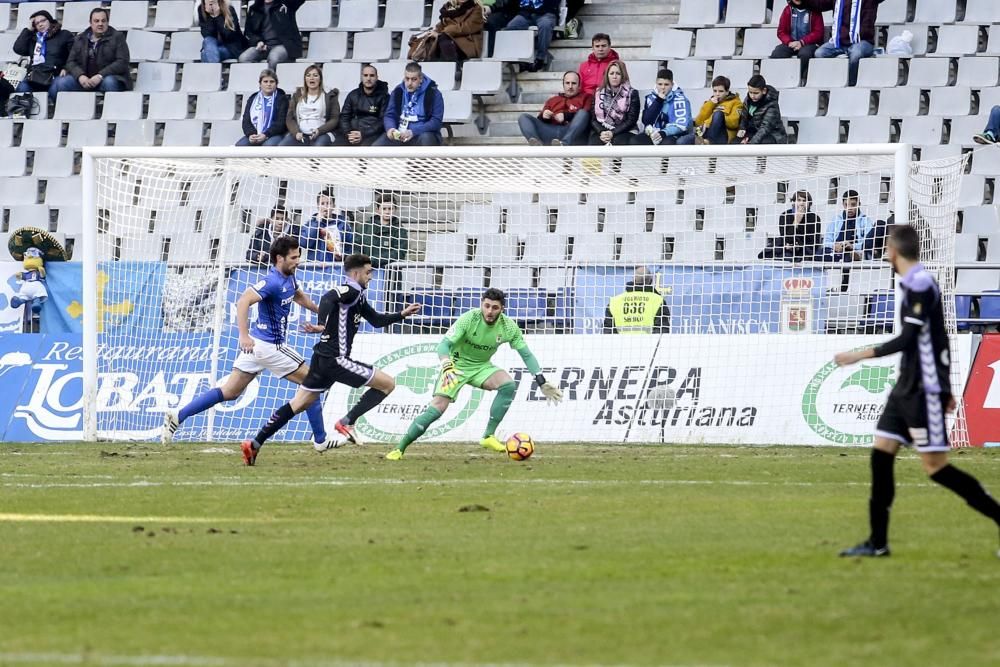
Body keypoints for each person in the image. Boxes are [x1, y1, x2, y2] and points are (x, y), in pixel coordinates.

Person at [834, 225, 1000, 558]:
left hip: (923, 390)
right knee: (881, 454)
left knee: (936, 467)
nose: (884, 256)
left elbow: (908, 339)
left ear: (893, 251)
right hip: (906, 386)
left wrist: (857, 356)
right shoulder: (914, 283)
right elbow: (938, 339)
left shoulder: (922, 284)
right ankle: (877, 543)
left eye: (885, 250)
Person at [241, 253, 422, 465]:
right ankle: (347, 422)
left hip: (322, 359)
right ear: (355, 273)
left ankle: (254, 444)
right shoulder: (350, 289)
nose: (371, 276)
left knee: (298, 404)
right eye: (368, 272)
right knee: (387, 384)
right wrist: (322, 323)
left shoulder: (358, 295)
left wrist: (402, 314)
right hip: (336, 360)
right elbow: (328, 297)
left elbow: (376, 320)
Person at [163, 236, 334, 452]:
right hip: (269, 346)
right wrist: (243, 336)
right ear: (279, 258)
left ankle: (178, 416)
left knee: (230, 392)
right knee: (312, 384)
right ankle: (321, 441)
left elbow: (299, 296)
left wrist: (323, 313)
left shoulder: (289, 277)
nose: (297, 261)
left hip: (258, 347)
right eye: (293, 257)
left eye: (298, 256)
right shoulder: (271, 281)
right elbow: (243, 300)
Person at [385, 288, 563, 460]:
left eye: (495, 307)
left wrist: (541, 381)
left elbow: (526, 354)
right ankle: (399, 448)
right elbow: (443, 346)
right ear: (481, 305)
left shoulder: (509, 327)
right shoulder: (469, 318)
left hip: (481, 367)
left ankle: (488, 436)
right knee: (437, 409)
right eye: (486, 306)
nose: (489, 311)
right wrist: (447, 365)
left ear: (502, 309)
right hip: (455, 367)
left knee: (508, 384)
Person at [50, 8, 131, 97]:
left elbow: (122, 62)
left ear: (107, 22)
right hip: (85, 80)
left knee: (109, 82)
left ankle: (113, 110)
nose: (100, 24)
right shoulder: (80, 38)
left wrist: (100, 76)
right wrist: (80, 76)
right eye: (96, 21)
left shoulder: (117, 37)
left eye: (103, 21)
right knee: (61, 82)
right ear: (90, 23)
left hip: (107, 78)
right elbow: (70, 62)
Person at [803, 0, 880, 87]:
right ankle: (834, 82)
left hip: (864, 41)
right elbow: (819, 4)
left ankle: (851, 84)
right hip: (840, 43)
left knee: (855, 54)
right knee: (819, 53)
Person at [374, 62, 445, 147]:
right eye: (407, 79)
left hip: (422, 134)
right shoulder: (398, 91)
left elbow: (436, 122)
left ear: (421, 78)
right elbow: (390, 115)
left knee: (426, 138)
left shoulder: (434, 93)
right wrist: (391, 128)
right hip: (400, 134)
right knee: (376, 147)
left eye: (414, 79)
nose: (409, 83)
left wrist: (413, 131)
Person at [518, 70, 592, 146]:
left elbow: (587, 115)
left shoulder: (587, 97)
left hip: (573, 133)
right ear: (563, 84)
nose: (570, 86)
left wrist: (566, 116)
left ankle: (565, 144)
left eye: (574, 83)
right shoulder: (552, 100)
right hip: (551, 131)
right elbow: (540, 121)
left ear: (579, 86)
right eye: (567, 83)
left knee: (583, 113)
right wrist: (544, 117)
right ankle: (538, 145)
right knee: (523, 117)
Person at [11, 10, 74, 95]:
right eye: (37, 23)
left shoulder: (64, 35)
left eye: (43, 21)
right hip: (36, 77)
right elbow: (18, 49)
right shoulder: (33, 39)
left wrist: (66, 68)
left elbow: (74, 55)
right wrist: (28, 29)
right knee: (22, 87)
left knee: (58, 86)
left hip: (56, 75)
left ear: (50, 21)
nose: (40, 24)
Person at [280, 64, 339, 146]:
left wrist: (319, 130)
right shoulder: (297, 95)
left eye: (315, 75)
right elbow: (289, 118)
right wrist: (296, 132)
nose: (312, 78)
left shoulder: (330, 95)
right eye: (308, 75)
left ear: (320, 79)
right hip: (300, 134)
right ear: (305, 79)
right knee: (281, 148)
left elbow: (334, 119)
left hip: (322, 133)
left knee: (316, 150)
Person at [632, 68, 692, 146]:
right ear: (656, 84)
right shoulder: (651, 98)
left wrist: (664, 132)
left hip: (671, 135)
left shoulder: (681, 99)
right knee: (635, 141)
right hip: (653, 133)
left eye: (666, 84)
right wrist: (658, 101)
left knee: (667, 144)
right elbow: (646, 120)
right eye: (660, 84)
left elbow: (681, 125)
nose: (663, 87)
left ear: (672, 85)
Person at [678, 76, 743, 146]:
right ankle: (705, 141)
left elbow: (734, 124)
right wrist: (710, 104)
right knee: (681, 141)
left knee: (718, 114)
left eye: (721, 91)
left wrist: (719, 118)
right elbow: (698, 122)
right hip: (705, 131)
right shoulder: (710, 102)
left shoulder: (736, 103)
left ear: (727, 92)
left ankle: (708, 141)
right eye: (715, 91)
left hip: (723, 134)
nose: (717, 94)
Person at [239, 0, 304, 70]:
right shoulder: (254, 9)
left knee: (274, 58)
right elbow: (249, 32)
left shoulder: (287, 4)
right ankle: (258, 80)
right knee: (244, 58)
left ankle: (270, 80)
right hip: (263, 46)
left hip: (284, 46)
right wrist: (258, 42)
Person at [603, 267, 670, 334]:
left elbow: (608, 333)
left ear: (634, 280)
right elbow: (661, 332)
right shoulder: (657, 301)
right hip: (648, 344)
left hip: (621, 344)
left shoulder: (615, 302)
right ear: (651, 281)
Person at [759, 190, 822, 261]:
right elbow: (786, 238)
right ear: (794, 202)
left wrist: (798, 246)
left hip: (804, 250)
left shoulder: (815, 218)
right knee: (785, 255)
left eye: (804, 201)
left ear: (809, 203)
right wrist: (796, 221)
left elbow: (814, 243)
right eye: (799, 200)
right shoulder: (785, 215)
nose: (801, 203)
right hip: (786, 248)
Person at [589, 60, 639, 146]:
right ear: (607, 75)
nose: (614, 76)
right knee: (594, 143)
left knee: (618, 143)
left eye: (618, 74)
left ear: (623, 75)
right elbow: (593, 119)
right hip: (602, 130)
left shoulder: (632, 93)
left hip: (625, 130)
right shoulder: (598, 93)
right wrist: (602, 132)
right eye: (611, 73)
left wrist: (613, 132)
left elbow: (631, 120)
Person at [337, 65, 389, 146]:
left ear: (376, 77)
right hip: (351, 134)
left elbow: (383, 121)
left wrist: (363, 134)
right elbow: (344, 117)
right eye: (365, 75)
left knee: (364, 152)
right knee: (334, 148)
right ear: (361, 77)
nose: (368, 78)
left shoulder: (384, 97)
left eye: (372, 75)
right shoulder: (353, 95)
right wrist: (349, 134)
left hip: (372, 135)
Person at [351, 195, 408, 269]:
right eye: (384, 209)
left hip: (391, 274)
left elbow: (400, 253)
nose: (387, 212)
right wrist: (362, 261)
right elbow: (356, 247)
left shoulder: (400, 230)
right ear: (377, 209)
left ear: (395, 210)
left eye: (390, 209)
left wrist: (372, 261)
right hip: (366, 272)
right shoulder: (364, 227)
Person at [503, 0, 560, 72]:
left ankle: (540, 59)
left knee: (545, 25)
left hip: (546, 13)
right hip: (526, 14)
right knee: (512, 26)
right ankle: (521, 60)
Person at [237, 68, 288, 147]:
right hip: (255, 134)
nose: (268, 84)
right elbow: (246, 120)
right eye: (265, 81)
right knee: (240, 146)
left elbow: (281, 123)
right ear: (260, 84)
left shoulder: (282, 99)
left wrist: (266, 134)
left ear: (276, 84)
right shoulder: (253, 98)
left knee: (267, 147)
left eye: (272, 81)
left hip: (274, 134)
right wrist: (251, 134)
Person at [771, 0, 824, 75]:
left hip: (809, 44)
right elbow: (781, 32)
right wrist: (789, 42)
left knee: (805, 54)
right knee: (777, 53)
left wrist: (802, 42)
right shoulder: (787, 10)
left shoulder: (815, 10)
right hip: (791, 43)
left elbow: (818, 32)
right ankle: (782, 76)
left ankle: (801, 77)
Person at [300, 187, 352, 263]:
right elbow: (304, 243)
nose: (326, 207)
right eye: (322, 203)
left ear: (334, 206)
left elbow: (350, 247)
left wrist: (342, 256)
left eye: (329, 203)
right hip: (315, 268)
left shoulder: (342, 224)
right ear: (318, 206)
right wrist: (316, 223)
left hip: (335, 267)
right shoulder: (310, 223)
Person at [822, 189, 878, 261]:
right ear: (843, 204)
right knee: (821, 253)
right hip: (836, 250)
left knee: (854, 254)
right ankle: (843, 257)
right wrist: (834, 246)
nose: (850, 208)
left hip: (855, 250)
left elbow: (868, 243)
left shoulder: (865, 220)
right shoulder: (836, 219)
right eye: (846, 205)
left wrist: (852, 246)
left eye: (853, 205)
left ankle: (852, 256)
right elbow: (826, 241)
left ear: (859, 204)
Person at [733, 75, 787, 145]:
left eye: (756, 93)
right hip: (753, 132)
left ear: (764, 91)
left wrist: (751, 143)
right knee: (734, 143)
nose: (752, 96)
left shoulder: (772, 104)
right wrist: (742, 128)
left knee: (763, 144)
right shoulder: (748, 100)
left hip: (772, 134)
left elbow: (765, 128)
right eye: (750, 92)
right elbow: (744, 117)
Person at [578, 33, 619, 98]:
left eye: (603, 46)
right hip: (586, 99)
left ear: (609, 46)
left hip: (607, 98)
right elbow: (578, 86)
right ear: (593, 48)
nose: (600, 49)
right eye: (597, 46)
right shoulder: (583, 66)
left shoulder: (617, 65)